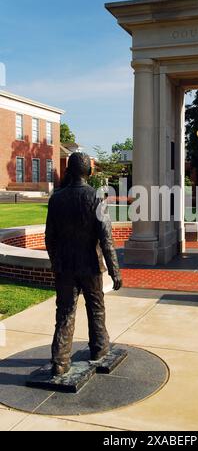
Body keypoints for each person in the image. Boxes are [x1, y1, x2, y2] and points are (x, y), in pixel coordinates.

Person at [45, 152, 122, 376]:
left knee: (65, 313)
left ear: (68, 171)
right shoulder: (96, 198)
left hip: (65, 267)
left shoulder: (56, 198)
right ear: (89, 172)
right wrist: (115, 271)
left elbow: (50, 238)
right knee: (96, 308)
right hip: (90, 265)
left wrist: (56, 263)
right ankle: (99, 349)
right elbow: (106, 239)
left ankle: (60, 362)